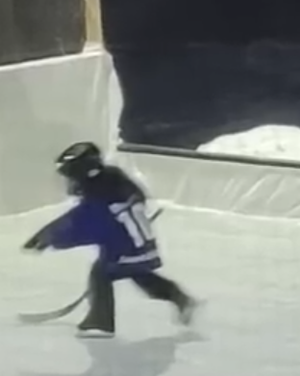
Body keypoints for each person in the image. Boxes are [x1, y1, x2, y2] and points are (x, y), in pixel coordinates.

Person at [22, 142, 196, 338]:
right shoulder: (110, 180)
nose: (70, 183)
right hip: (139, 244)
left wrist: (50, 238)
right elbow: (84, 217)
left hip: (127, 247)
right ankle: (180, 299)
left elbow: (84, 226)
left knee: (102, 273)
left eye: (71, 177)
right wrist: (46, 234)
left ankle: (100, 323)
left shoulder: (99, 193)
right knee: (139, 275)